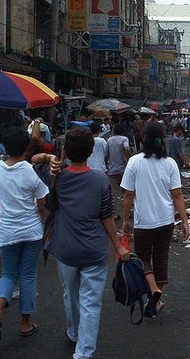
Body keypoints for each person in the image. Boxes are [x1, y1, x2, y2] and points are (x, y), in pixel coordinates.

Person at [45, 127, 129, 357]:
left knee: (70, 295)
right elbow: (107, 217)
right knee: (91, 303)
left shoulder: (57, 177)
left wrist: (55, 161)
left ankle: (73, 332)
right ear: (91, 150)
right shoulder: (100, 180)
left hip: (65, 249)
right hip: (94, 250)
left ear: (66, 150)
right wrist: (118, 245)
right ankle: (84, 352)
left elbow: (32, 158)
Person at [0, 127, 49, 342]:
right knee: (28, 276)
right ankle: (25, 324)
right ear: (25, 149)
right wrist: (42, 222)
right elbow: (42, 202)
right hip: (30, 231)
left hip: (7, 232)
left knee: (8, 274)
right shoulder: (28, 170)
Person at [121, 122, 189, 318]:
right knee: (161, 259)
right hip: (166, 220)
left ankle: (153, 290)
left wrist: (126, 220)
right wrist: (184, 220)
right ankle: (156, 302)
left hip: (144, 221)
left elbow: (127, 195)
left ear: (144, 139)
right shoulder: (170, 164)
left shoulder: (134, 162)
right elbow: (177, 194)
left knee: (142, 258)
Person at [107, 124, 131, 218]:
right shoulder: (124, 139)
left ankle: (116, 214)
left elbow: (106, 154)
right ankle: (128, 212)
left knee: (114, 193)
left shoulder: (109, 140)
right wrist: (127, 159)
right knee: (126, 192)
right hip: (123, 169)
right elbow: (127, 148)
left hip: (112, 169)